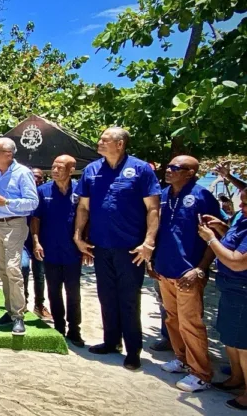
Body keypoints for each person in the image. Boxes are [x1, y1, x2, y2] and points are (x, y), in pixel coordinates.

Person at [74, 127, 161, 371]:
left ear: (120, 144)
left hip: (131, 249)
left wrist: (149, 242)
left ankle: (133, 351)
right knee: (106, 296)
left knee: (129, 300)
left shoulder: (141, 169)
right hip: (101, 246)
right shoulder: (92, 170)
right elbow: (83, 207)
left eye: (105, 139)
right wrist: (78, 236)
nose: (99, 142)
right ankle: (111, 341)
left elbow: (153, 208)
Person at [150, 155, 219, 392]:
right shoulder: (164, 195)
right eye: (168, 166)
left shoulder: (202, 196)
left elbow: (214, 237)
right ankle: (182, 359)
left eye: (175, 168)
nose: (169, 170)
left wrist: (200, 269)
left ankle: (201, 374)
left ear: (190, 173)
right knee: (172, 318)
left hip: (188, 272)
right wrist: (152, 261)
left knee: (191, 323)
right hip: (164, 269)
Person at [198, 189, 247, 410]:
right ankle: (237, 378)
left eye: (246, 204)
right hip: (230, 288)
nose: (241, 207)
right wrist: (221, 228)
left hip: (242, 289)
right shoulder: (242, 219)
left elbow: (237, 261)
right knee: (230, 336)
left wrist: (210, 239)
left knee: (243, 343)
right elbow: (234, 242)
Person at [0, 138, 39, 336]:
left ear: (8, 154)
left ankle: (18, 316)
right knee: (3, 272)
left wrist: (7, 202)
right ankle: (9, 312)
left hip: (14, 224)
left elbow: (32, 202)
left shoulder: (23, 173)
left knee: (13, 269)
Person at [31, 155, 85, 347]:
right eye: (53, 167)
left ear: (71, 170)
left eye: (60, 167)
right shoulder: (43, 190)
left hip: (72, 251)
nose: (54, 170)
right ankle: (59, 327)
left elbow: (87, 216)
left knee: (73, 292)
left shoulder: (80, 190)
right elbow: (35, 219)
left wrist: (86, 243)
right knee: (54, 291)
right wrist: (36, 242)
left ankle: (74, 329)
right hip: (50, 249)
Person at [23, 167, 50, 319]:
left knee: (39, 274)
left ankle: (39, 304)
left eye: (39, 177)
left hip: (40, 240)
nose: (36, 179)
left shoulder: (44, 195)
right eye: (33, 176)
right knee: (23, 268)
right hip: (23, 240)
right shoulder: (23, 193)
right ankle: (23, 301)